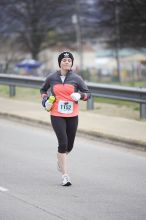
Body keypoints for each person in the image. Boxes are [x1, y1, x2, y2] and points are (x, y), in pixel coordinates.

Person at [40, 51, 91, 186]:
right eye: (64, 60)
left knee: (69, 145)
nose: (67, 62)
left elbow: (88, 94)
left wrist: (80, 96)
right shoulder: (52, 78)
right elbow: (43, 90)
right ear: (60, 63)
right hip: (56, 114)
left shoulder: (77, 78)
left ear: (72, 63)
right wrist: (45, 101)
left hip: (72, 115)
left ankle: (60, 159)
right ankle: (65, 176)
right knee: (62, 143)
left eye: (69, 60)